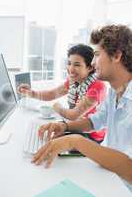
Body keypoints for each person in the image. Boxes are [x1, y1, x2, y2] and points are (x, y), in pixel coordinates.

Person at [32, 25, 132, 192]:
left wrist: (74, 140)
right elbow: (95, 121)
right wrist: (64, 126)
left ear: (116, 55)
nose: (92, 63)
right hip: (109, 175)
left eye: (97, 55)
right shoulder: (115, 91)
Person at [19, 44, 106, 143]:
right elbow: (51, 94)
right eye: (69, 63)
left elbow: (73, 115)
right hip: (75, 127)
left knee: (50, 142)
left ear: (90, 67)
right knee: (42, 134)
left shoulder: (97, 87)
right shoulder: (73, 81)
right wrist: (31, 93)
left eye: (77, 65)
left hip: (91, 136)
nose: (71, 69)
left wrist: (57, 107)